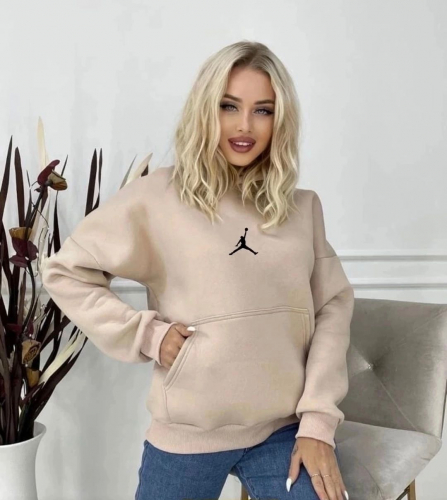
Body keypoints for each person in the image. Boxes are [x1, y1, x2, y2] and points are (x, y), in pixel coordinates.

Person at [41, 40, 354, 500]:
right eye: (229, 106)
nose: (244, 125)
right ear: (206, 109)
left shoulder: (301, 208)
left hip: (284, 430)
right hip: (188, 435)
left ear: (280, 120)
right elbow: (66, 271)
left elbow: (333, 306)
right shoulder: (157, 196)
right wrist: (147, 335)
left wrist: (318, 423)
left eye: (263, 110)